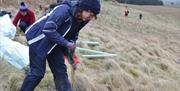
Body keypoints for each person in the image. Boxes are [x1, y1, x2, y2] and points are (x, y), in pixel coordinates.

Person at [20, 0, 101, 91]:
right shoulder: (63, 10)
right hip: (39, 39)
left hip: (56, 41)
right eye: (91, 15)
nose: (90, 18)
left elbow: (73, 36)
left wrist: (71, 59)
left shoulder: (83, 19)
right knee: (37, 73)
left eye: (93, 16)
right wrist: (67, 43)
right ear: (85, 9)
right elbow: (48, 30)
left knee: (60, 71)